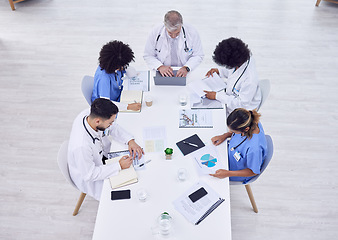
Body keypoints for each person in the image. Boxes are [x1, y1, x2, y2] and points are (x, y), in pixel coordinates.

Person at [68, 98, 144, 200]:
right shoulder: (82, 146)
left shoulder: (90, 115)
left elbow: (113, 127)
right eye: (110, 123)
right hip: (89, 177)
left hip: (101, 157)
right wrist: (118, 166)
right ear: (98, 121)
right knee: (126, 194)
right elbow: (89, 175)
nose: (111, 125)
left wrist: (130, 140)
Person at [204, 38, 261, 115]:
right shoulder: (242, 59)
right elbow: (233, 72)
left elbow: (241, 105)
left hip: (241, 111)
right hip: (230, 98)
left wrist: (217, 96)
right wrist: (219, 71)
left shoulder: (249, 79)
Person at [210, 108, 267, 184]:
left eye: (233, 132)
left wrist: (228, 173)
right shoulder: (249, 120)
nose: (231, 132)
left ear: (246, 129)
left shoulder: (254, 148)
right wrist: (225, 135)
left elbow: (253, 171)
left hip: (238, 171)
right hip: (230, 156)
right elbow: (238, 133)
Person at [144, 10, 204, 77]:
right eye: (170, 33)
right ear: (165, 25)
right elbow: (148, 55)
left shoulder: (192, 32)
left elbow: (198, 55)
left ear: (181, 25)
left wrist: (187, 67)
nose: (173, 36)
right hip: (162, 72)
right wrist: (160, 67)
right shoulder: (155, 32)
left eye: (177, 33)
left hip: (185, 71)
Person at [91, 40, 141, 112]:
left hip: (119, 97)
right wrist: (128, 106)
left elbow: (130, 73)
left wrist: (126, 68)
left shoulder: (115, 67)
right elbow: (105, 104)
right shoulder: (103, 78)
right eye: (122, 66)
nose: (123, 67)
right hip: (107, 107)